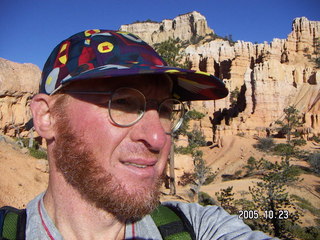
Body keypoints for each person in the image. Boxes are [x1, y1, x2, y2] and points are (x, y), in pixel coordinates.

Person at [22, 30, 275, 239]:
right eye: (122, 103)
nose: (157, 139)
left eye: (165, 109)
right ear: (47, 117)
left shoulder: (196, 228)